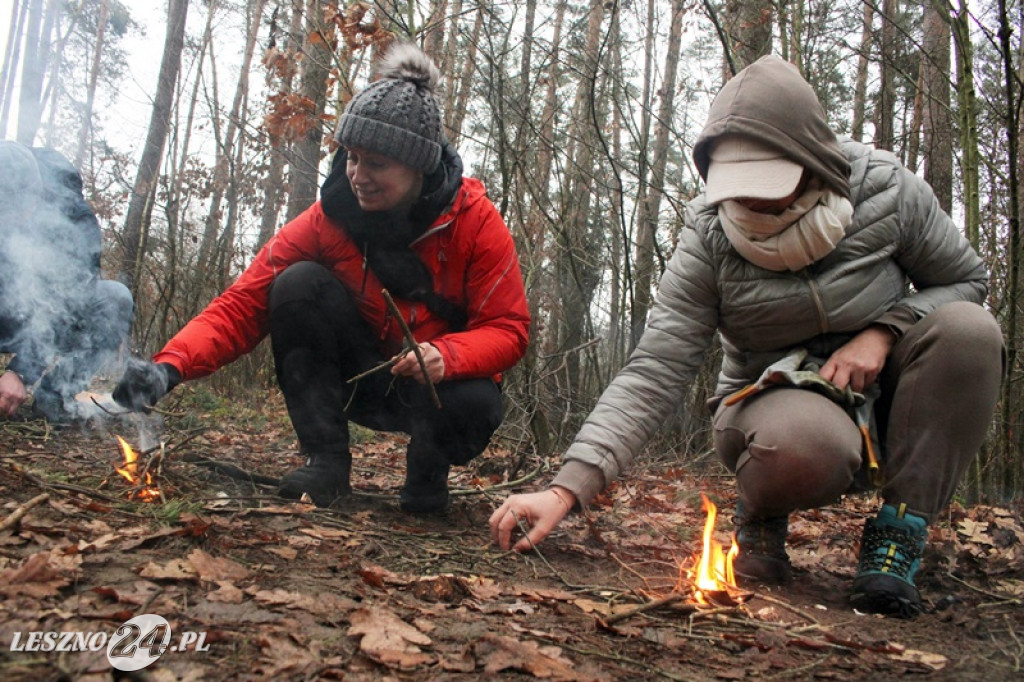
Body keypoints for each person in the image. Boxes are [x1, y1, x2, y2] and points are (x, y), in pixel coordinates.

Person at [490, 55, 1003, 619]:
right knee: (802, 445)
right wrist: (566, 490)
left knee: (969, 333)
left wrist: (884, 330)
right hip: (771, 411)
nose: (752, 204)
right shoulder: (708, 235)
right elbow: (654, 370)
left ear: (813, 164)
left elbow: (966, 280)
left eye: (769, 186)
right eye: (738, 188)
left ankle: (898, 534)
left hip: (892, 392)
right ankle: (761, 511)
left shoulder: (886, 190)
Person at [113, 43, 530, 514]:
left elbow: (510, 330)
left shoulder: (475, 221)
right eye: (351, 157)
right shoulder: (329, 218)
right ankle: (326, 462)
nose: (357, 175)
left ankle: (425, 479)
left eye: (376, 163)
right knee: (296, 285)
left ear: (418, 165)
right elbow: (243, 301)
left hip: (435, 392)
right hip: (363, 378)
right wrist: (169, 367)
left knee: (475, 398)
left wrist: (447, 356)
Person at [0, 140, 134, 422]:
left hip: (44, 317)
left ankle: (54, 396)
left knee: (114, 300)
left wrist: (20, 372)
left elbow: (66, 305)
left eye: (10, 210)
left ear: (34, 196)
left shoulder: (75, 222)